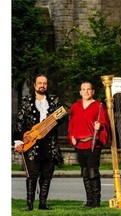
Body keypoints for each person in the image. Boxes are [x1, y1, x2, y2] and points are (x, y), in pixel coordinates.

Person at [13, 74, 64, 211]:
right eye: (40, 83)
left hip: (50, 143)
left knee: (47, 174)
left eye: (45, 83)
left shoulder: (54, 100)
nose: (42, 85)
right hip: (32, 143)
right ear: (34, 85)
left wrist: (54, 121)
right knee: (32, 174)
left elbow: (62, 117)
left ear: (47, 85)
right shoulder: (26, 101)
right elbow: (19, 122)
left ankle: (43, 203)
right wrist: (18, 141)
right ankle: (29, 204)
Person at [67, 81, 110, 208]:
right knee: (85, 172)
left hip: (93, 143)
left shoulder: (99, 106)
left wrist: (100, 125)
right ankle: (89, 201)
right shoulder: (75, 107)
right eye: (83, 89)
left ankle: (96, 201)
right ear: (80, 92)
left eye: (88, 89)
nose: (86, 92)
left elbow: (105, 123)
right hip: (80, 144)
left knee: (93, 172)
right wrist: (72, 137)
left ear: (93, 91)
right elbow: (71, 126)